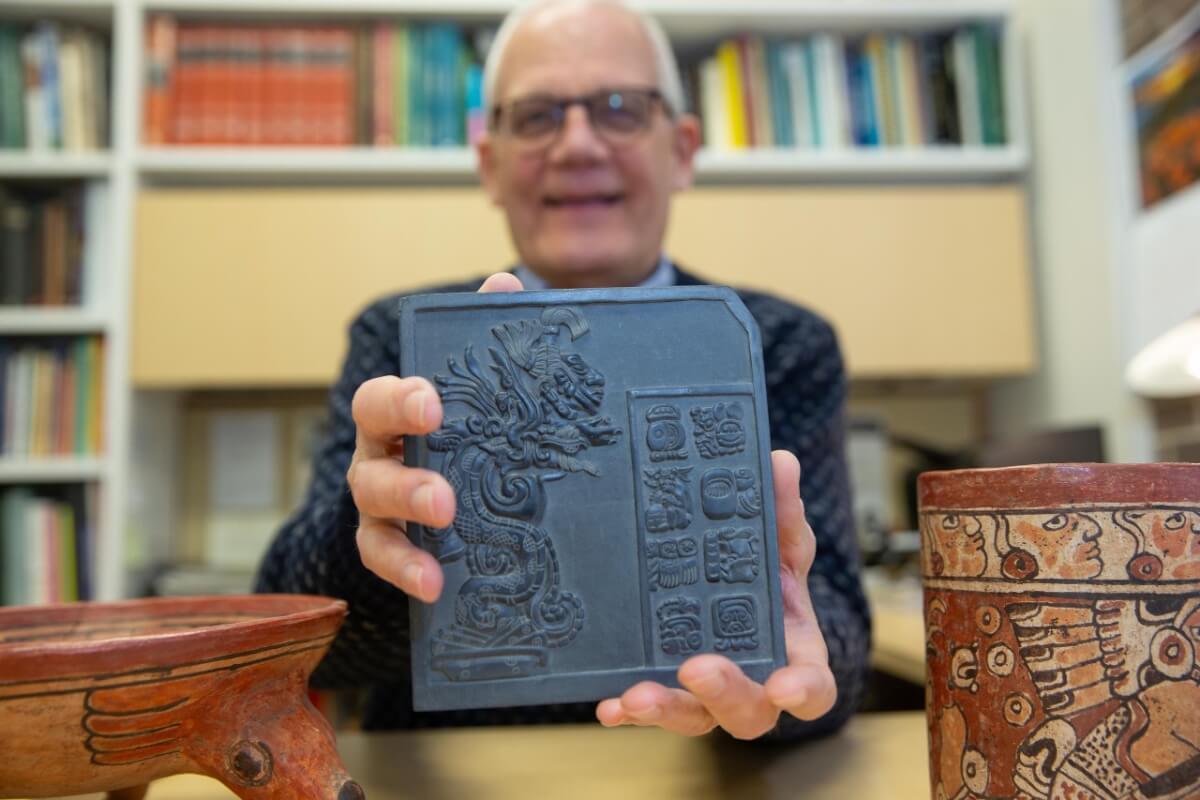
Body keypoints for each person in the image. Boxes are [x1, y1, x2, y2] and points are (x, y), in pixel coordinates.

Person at [256, 0, 870, 741]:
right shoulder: (401, 342)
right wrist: (372, 539)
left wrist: (784, 680)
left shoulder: (778, 342)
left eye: (619, 108)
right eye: (539, 114)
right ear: (489, 162)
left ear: (680, 151)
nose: (578, 145)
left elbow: (833, 619)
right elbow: (294, 638)